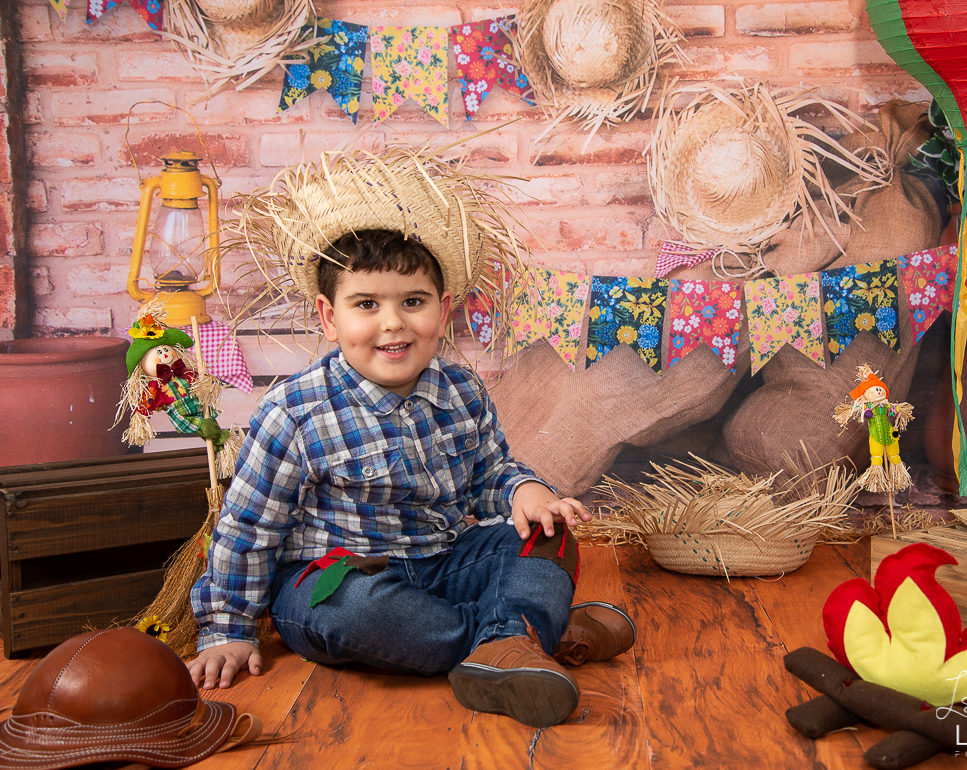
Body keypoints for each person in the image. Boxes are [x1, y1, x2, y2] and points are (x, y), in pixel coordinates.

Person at [188, 147, 635, 729]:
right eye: (367, 305)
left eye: (413, 302)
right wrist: (227, 629)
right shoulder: (293, 412)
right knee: (358, 613)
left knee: (546, 539)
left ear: (443, 310)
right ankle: (519, 635)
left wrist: (525, 492)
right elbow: (248, 528)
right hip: (338, 577)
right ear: (329, 317)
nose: (393, 323)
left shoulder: (460, 388)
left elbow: (490, 475)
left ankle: (512, 640)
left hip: (444, 562)